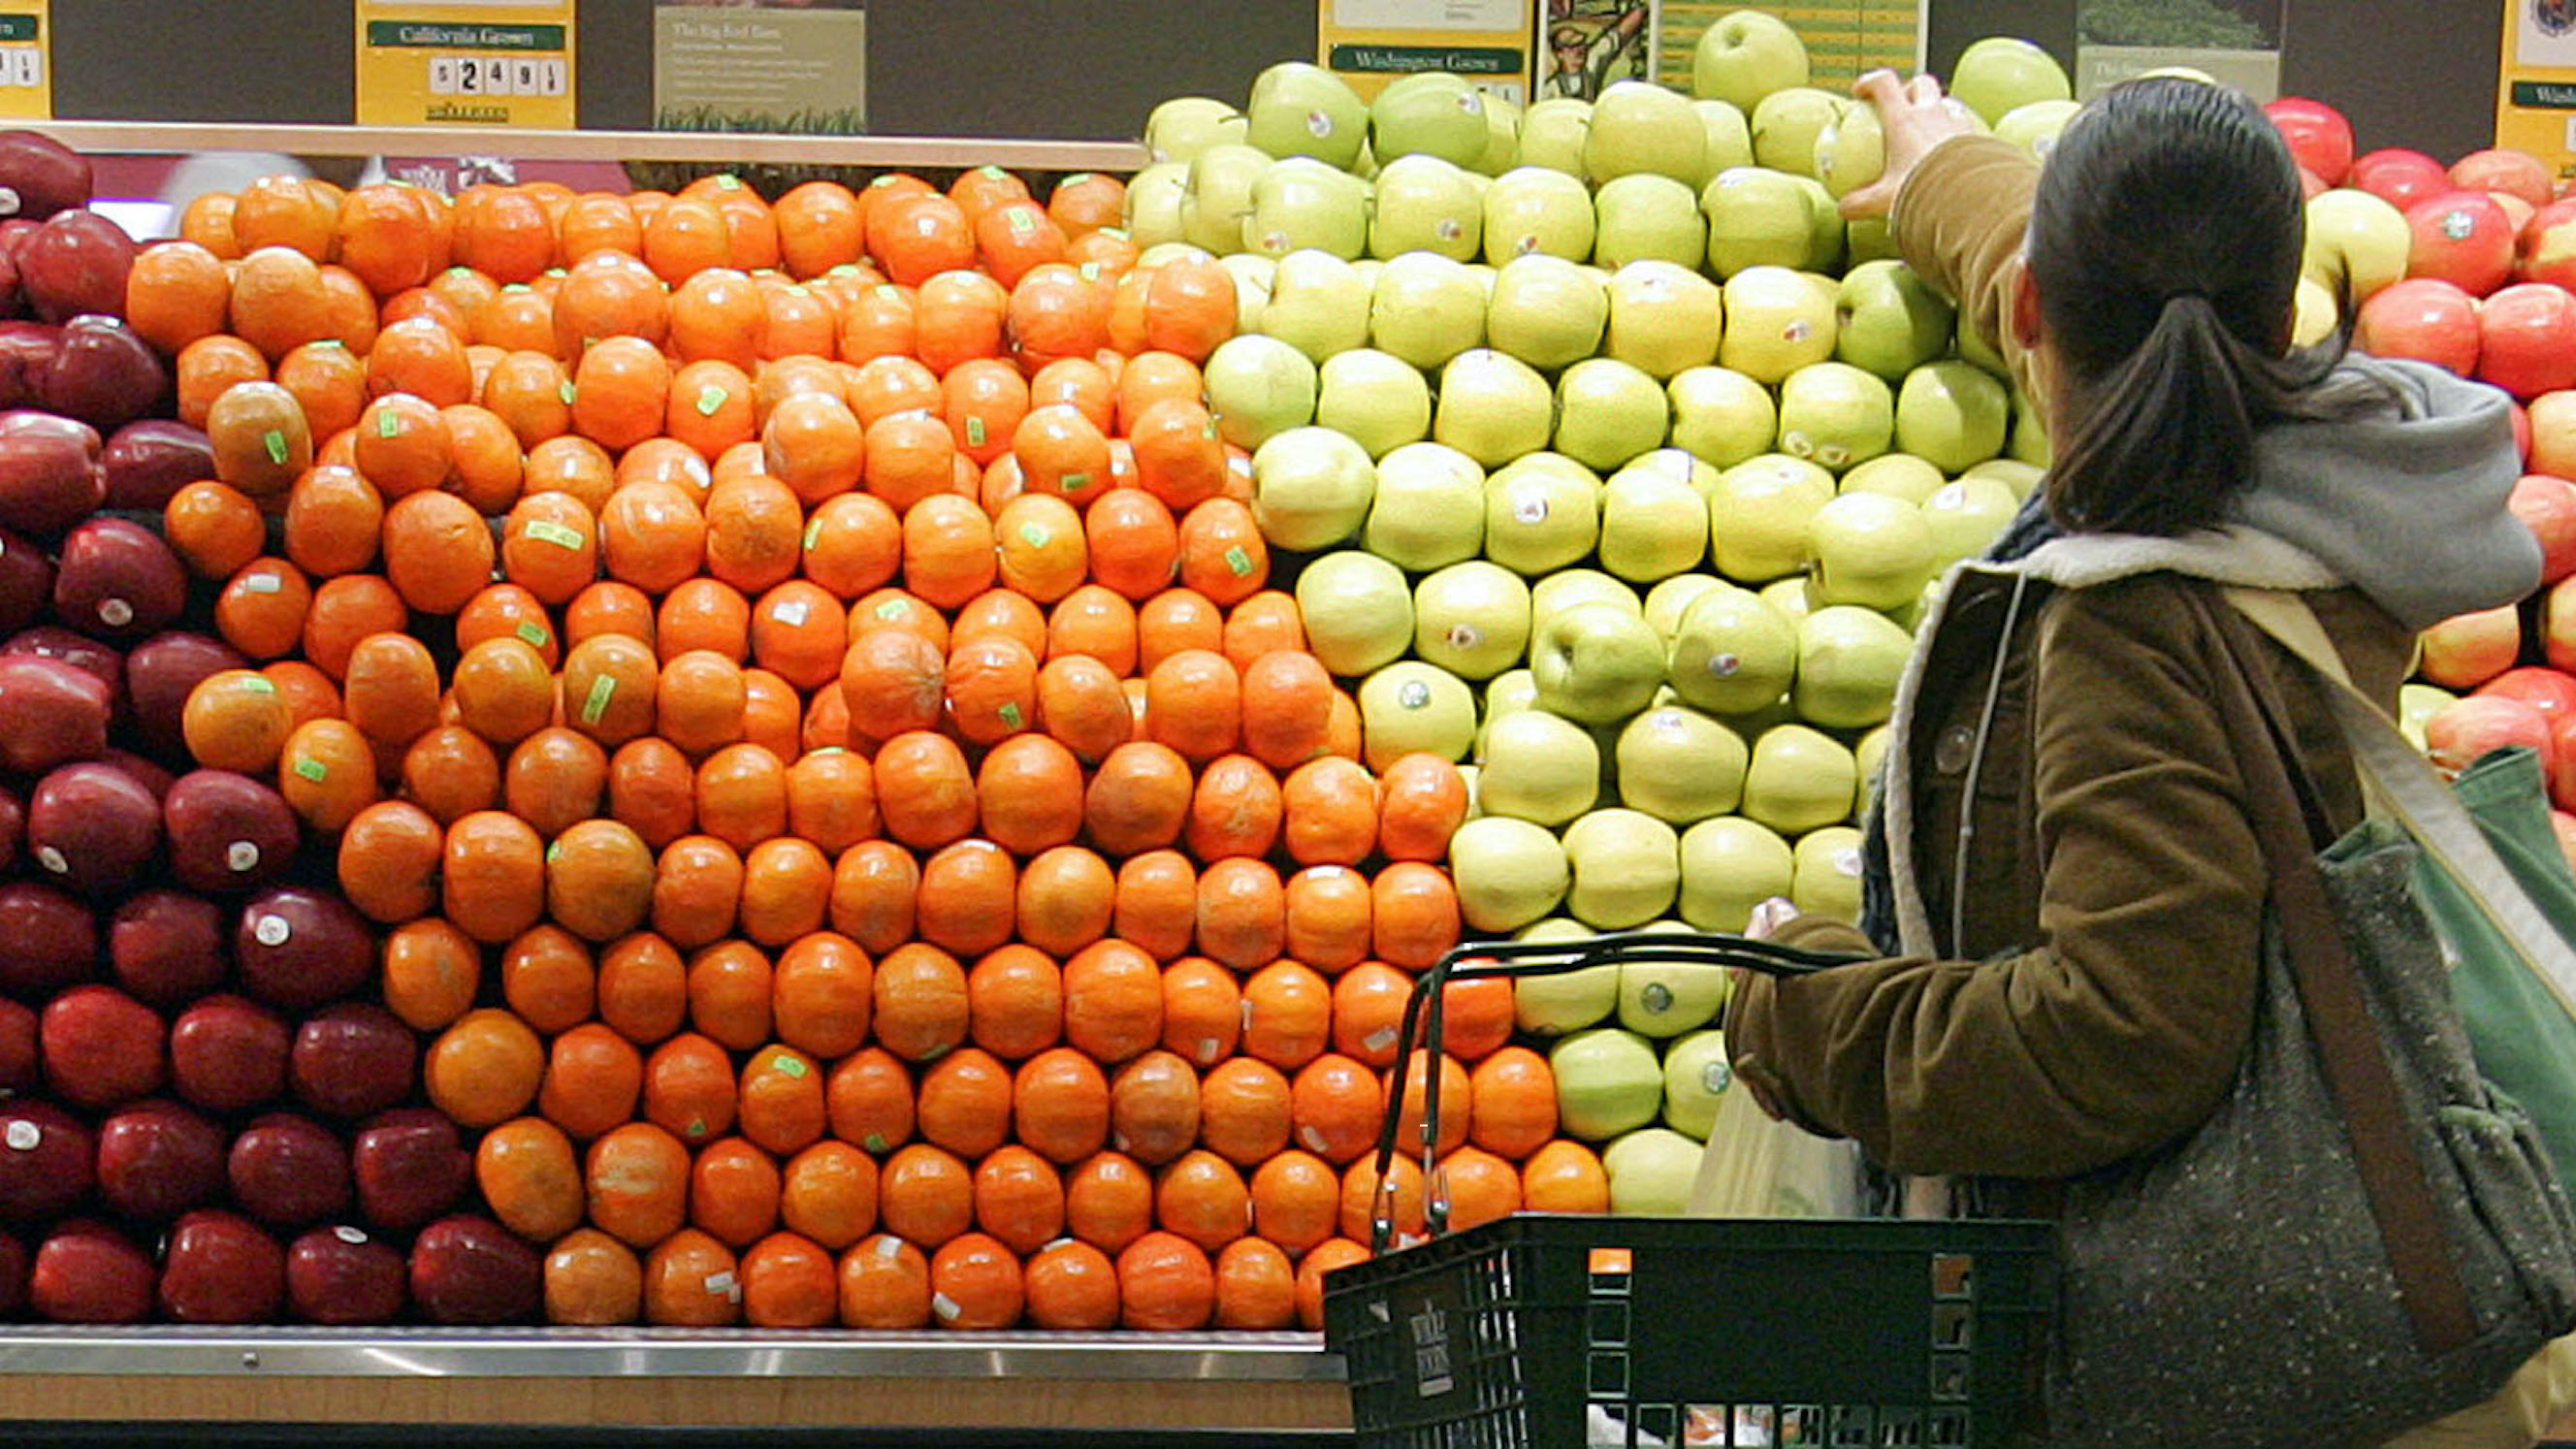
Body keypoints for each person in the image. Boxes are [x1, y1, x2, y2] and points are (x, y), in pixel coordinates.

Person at [1720, 70, 2576, 1445]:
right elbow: (2111, 304)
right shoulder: (2334, 471)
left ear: (2032, 317)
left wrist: (1805, 1014)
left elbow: (2121, 1036)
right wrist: (1952, 176)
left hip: (2234, 1375)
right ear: (2281, 312)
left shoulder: (2135, 622)